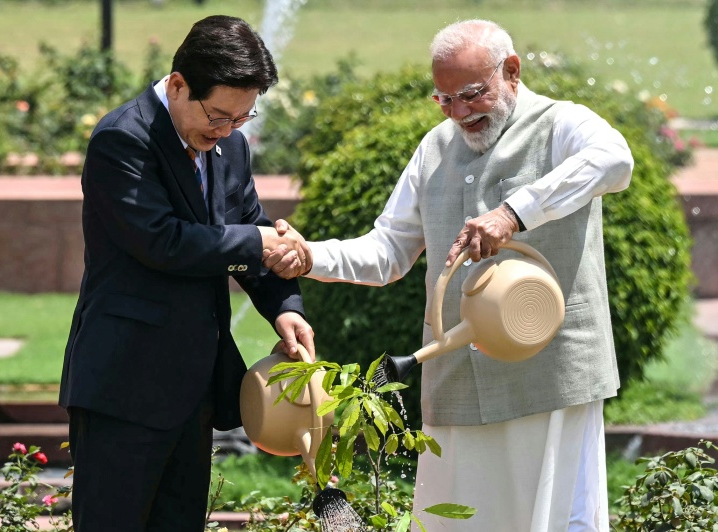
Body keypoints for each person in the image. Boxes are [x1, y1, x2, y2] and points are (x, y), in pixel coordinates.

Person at [264, 19, 634, 532]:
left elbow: (615, 160)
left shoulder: (563, 124)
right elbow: (389, 250)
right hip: (456, 380)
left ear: (511, 71)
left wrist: (514, 212)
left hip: (551, 377)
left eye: (472, 94)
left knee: (553, 520)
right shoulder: (434, 148)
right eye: (444, 99)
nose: (460, 113)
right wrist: (310, 257)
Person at [59, 15, 314, 532]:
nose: (224, 131)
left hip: (193, 386)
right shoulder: (122, 139)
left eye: (240, 119)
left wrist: (283, 306)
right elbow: (164, 242)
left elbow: (247, 227)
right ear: (177, 84)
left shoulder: (231, 146)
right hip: (123, 385)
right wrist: (258, 242)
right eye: (217, 116)